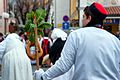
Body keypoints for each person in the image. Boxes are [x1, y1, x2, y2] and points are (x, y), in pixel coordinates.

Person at [34, 2, 120, 80]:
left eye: (83, 17)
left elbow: (63, 65)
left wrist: (43, 77)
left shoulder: (77, 35)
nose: (82, 20)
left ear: (89, 18)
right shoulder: (115, 41)